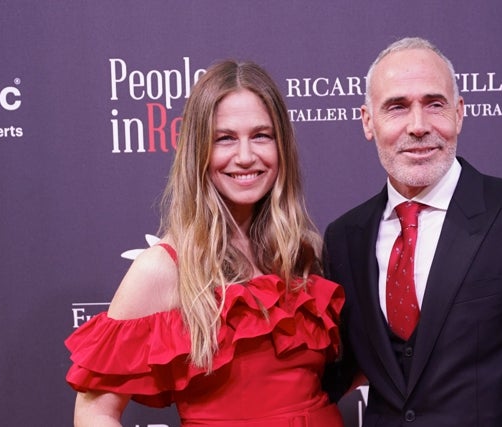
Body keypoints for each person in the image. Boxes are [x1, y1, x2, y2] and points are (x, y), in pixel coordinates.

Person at [322, 37, 502, 426]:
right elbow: (331, 376)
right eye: (397, 108)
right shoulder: (344, 238)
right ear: (368, 122)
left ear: (459, 113)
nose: (419, 126)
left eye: (435, 105)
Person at [65, 60, 345, 427]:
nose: (245, 156)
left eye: (261, 135)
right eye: (224, 138)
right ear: (198, 150)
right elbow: (94, 412)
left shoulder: (300, 253)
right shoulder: (164, 268)